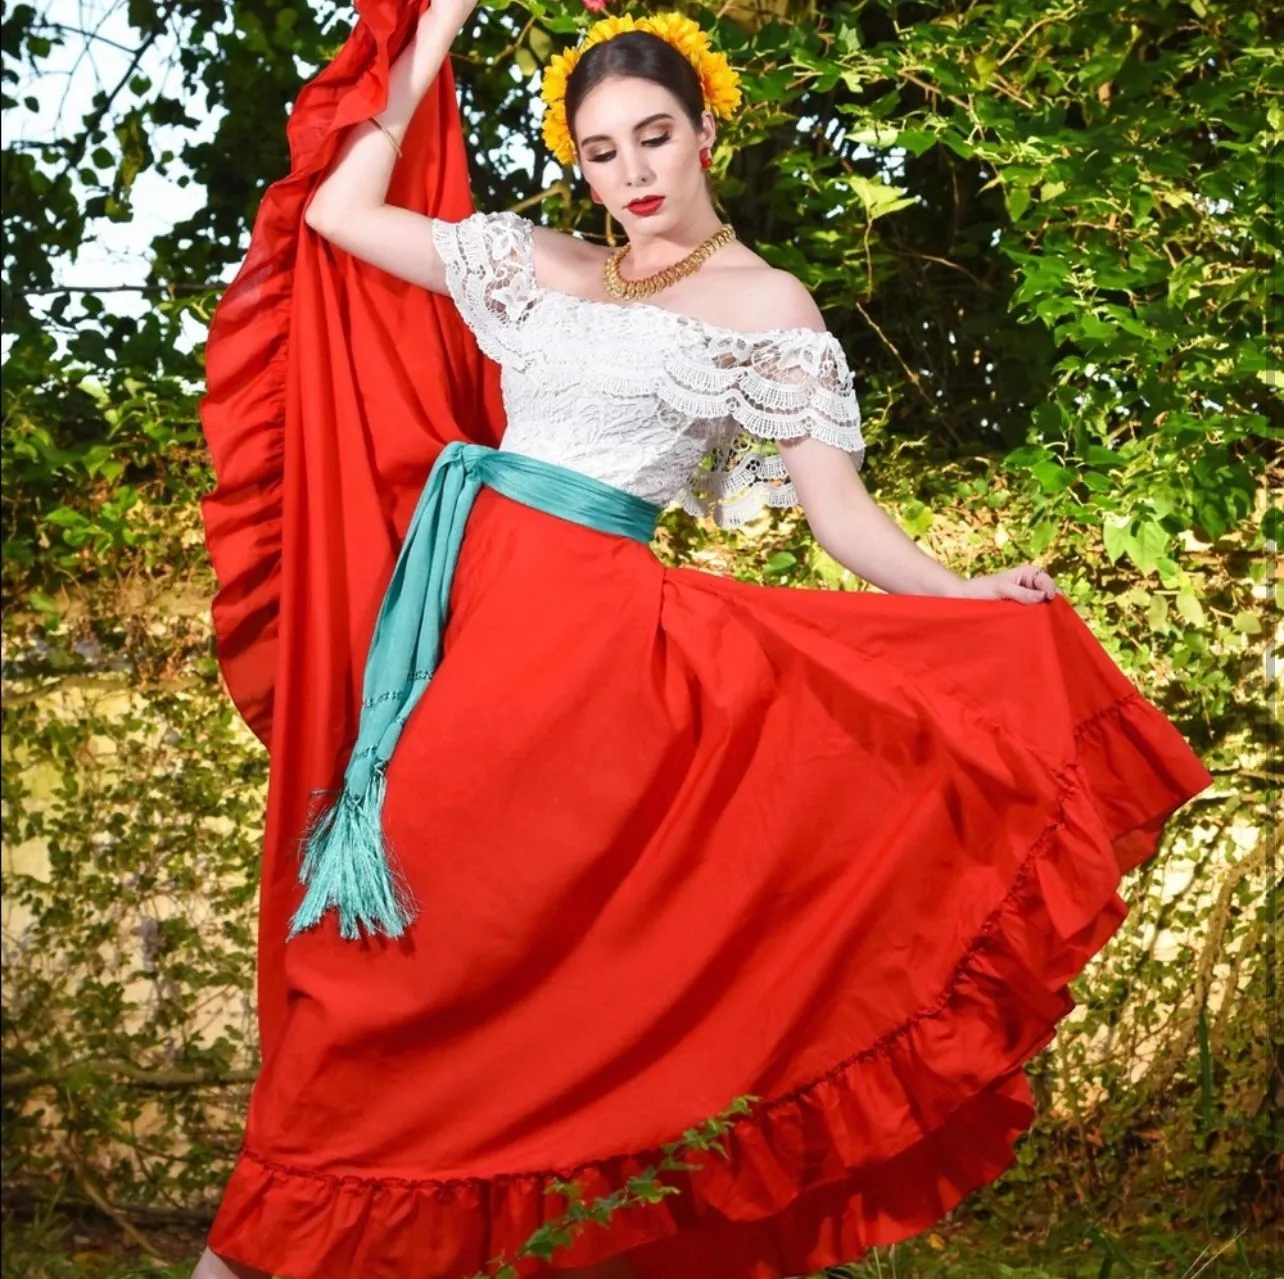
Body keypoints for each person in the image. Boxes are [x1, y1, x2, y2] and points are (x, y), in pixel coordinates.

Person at [191, 4, 1213, 1278]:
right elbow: (342, 216)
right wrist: (430, 30)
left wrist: (958, 594)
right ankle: (298, 1235)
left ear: (705, 132)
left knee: (410, 959)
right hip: (465, 617)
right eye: (603, 150)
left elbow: (839, 510)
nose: (631, 174)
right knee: (376, 942)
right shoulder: (539, 263)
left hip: (590, 646)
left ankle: (283, 1241)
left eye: (655, 138)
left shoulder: (767, 306)